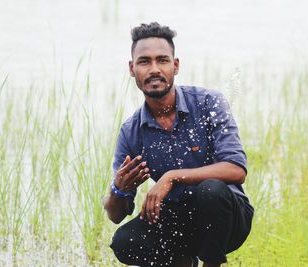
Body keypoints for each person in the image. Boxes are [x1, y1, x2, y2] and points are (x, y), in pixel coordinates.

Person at [103, 22, 254, 267]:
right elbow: (116, 215)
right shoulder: (131, 131)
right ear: (132, 69)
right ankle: (183, 262)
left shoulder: (208, 103)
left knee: (211, 190)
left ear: (175, 65)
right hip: (179, 221)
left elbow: (236, 170)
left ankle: (211, 263)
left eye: (162, 60)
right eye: (144, 62)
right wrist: (118, 189)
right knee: (125, 241)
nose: (154, 69)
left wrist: (172, 176)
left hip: (228, 218)